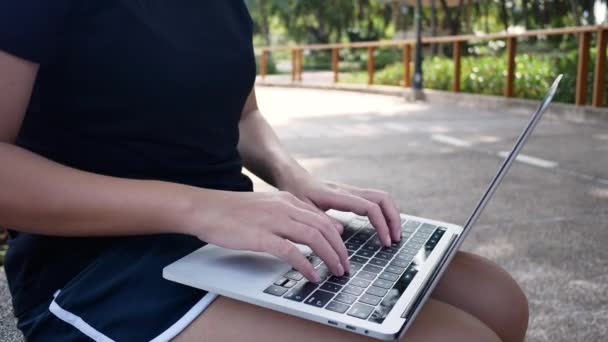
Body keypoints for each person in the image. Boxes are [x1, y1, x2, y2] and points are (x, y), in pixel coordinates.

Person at [0, 1, 528, 341]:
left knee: (499, 303)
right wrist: (198, 206)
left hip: (229, 237)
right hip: (95, 266)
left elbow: (244, 115)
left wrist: (296, 179)